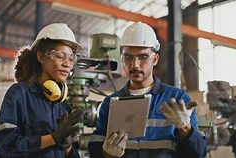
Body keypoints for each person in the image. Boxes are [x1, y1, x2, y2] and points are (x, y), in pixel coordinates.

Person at [88, 22, 207, 158]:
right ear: (121, 58)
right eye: (128, 57)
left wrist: (186, 129)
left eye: (143, 57)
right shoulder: (110, 103)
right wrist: (106, 154)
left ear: (155, 59)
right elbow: (94, 151)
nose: (134, 64)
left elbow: (198, 154)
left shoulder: (177, 99)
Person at [0, 23, 84, 158]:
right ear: (41, 57)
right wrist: (53, 138)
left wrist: (67, 146)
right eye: (60, 56)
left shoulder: (62, 103)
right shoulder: (19, 94)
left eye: (71, 58)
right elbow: (4, 149)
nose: (67, 64)